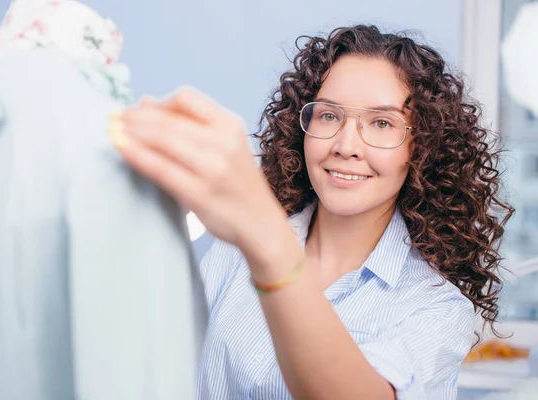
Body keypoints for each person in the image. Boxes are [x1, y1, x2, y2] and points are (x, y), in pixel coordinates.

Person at [108, 25, 514, 399]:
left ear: (420, 149)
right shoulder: (233, 254)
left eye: (382, 124)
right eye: (329, 115)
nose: (346, 145)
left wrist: (267, 243)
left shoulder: (435, 306)